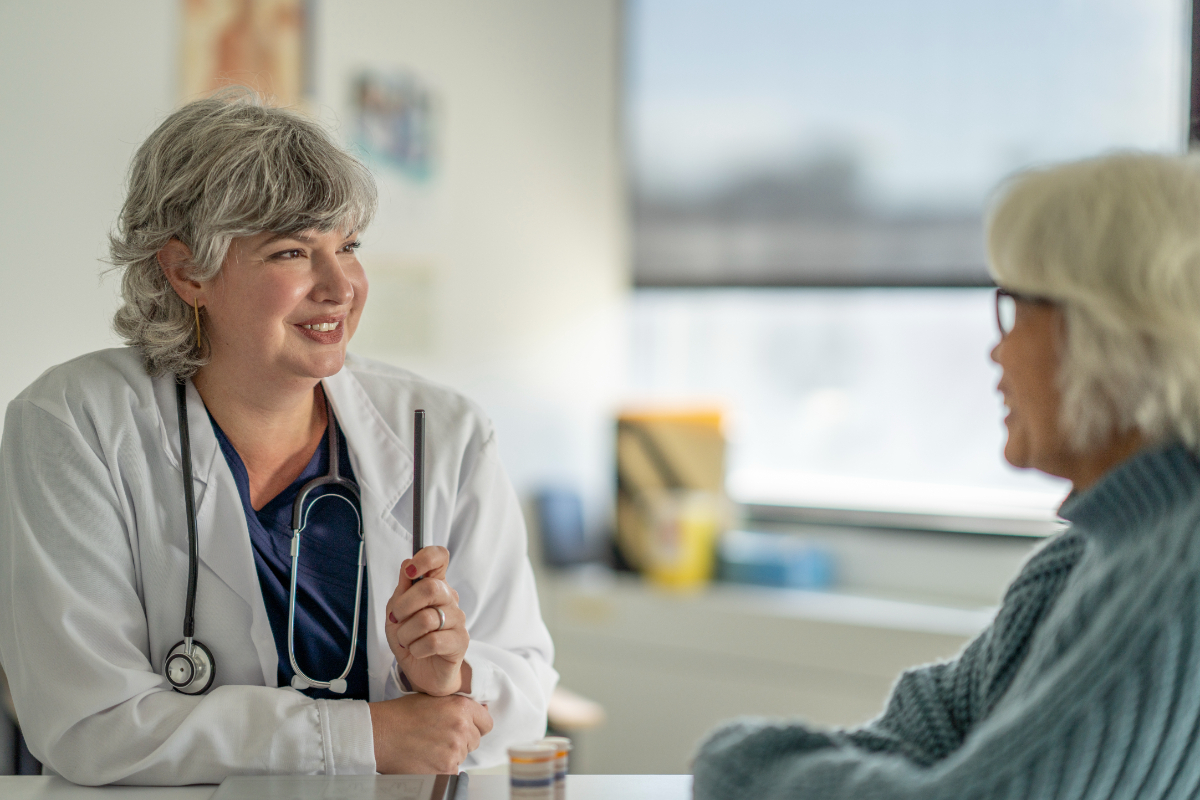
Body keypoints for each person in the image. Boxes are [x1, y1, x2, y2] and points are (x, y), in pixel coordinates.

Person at [0, 90, 556, 785]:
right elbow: (88, 725)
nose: (340, 286)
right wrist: (362, 739)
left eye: (347, 246)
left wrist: (454, 670)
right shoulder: (75, 423)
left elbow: (526, 695)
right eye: (293, 252)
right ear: (186, 271)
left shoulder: (445, 432)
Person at [692, 151, 1200, 799]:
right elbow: (928, 727)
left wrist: (742, 763)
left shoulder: (1178, 579)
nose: (997, 350)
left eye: (1014, 310)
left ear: (1109, 331)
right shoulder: (1080, 558)